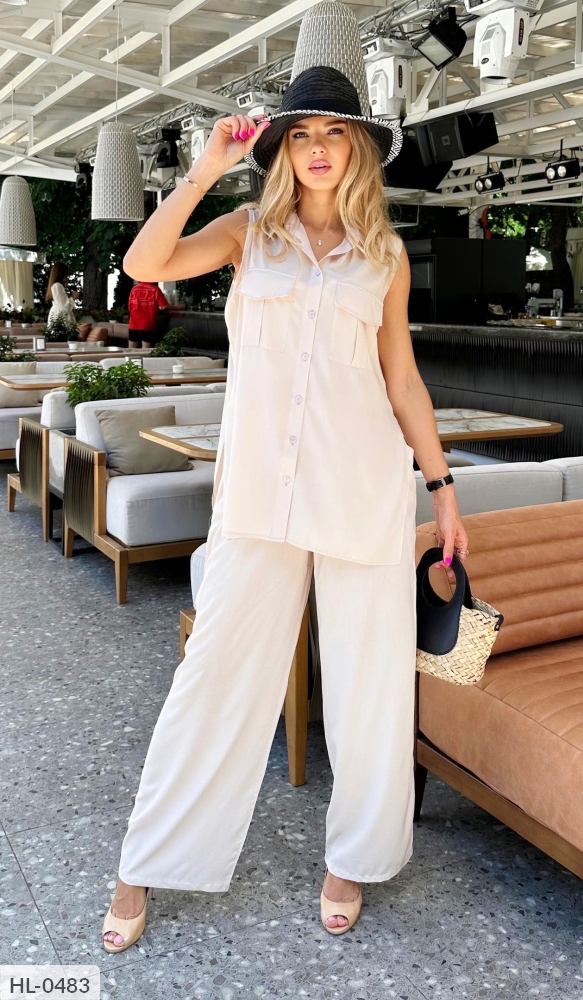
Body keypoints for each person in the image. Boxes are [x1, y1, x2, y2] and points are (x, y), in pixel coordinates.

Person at [101, 63, 469, 953]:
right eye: (301, 134)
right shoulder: (245, 233)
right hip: (259, 496)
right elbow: (144, 263)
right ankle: (145, 861)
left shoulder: (383, 256)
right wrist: (205, 168)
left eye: (334, 132)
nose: (317, 148)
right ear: (280, 150)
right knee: (214, 676)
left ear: (358, 148)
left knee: (367, 685)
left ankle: (353, 858)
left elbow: (401, 379)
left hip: (361, 488)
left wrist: (443, 489)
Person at [127, 280, 169, 348]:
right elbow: (164, 306)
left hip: (134, 325)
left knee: (131, 351)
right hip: (148, 326)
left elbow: (129, 307)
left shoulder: (134, 289)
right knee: (145, 352)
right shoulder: (155, 289)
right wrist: (178, 307)